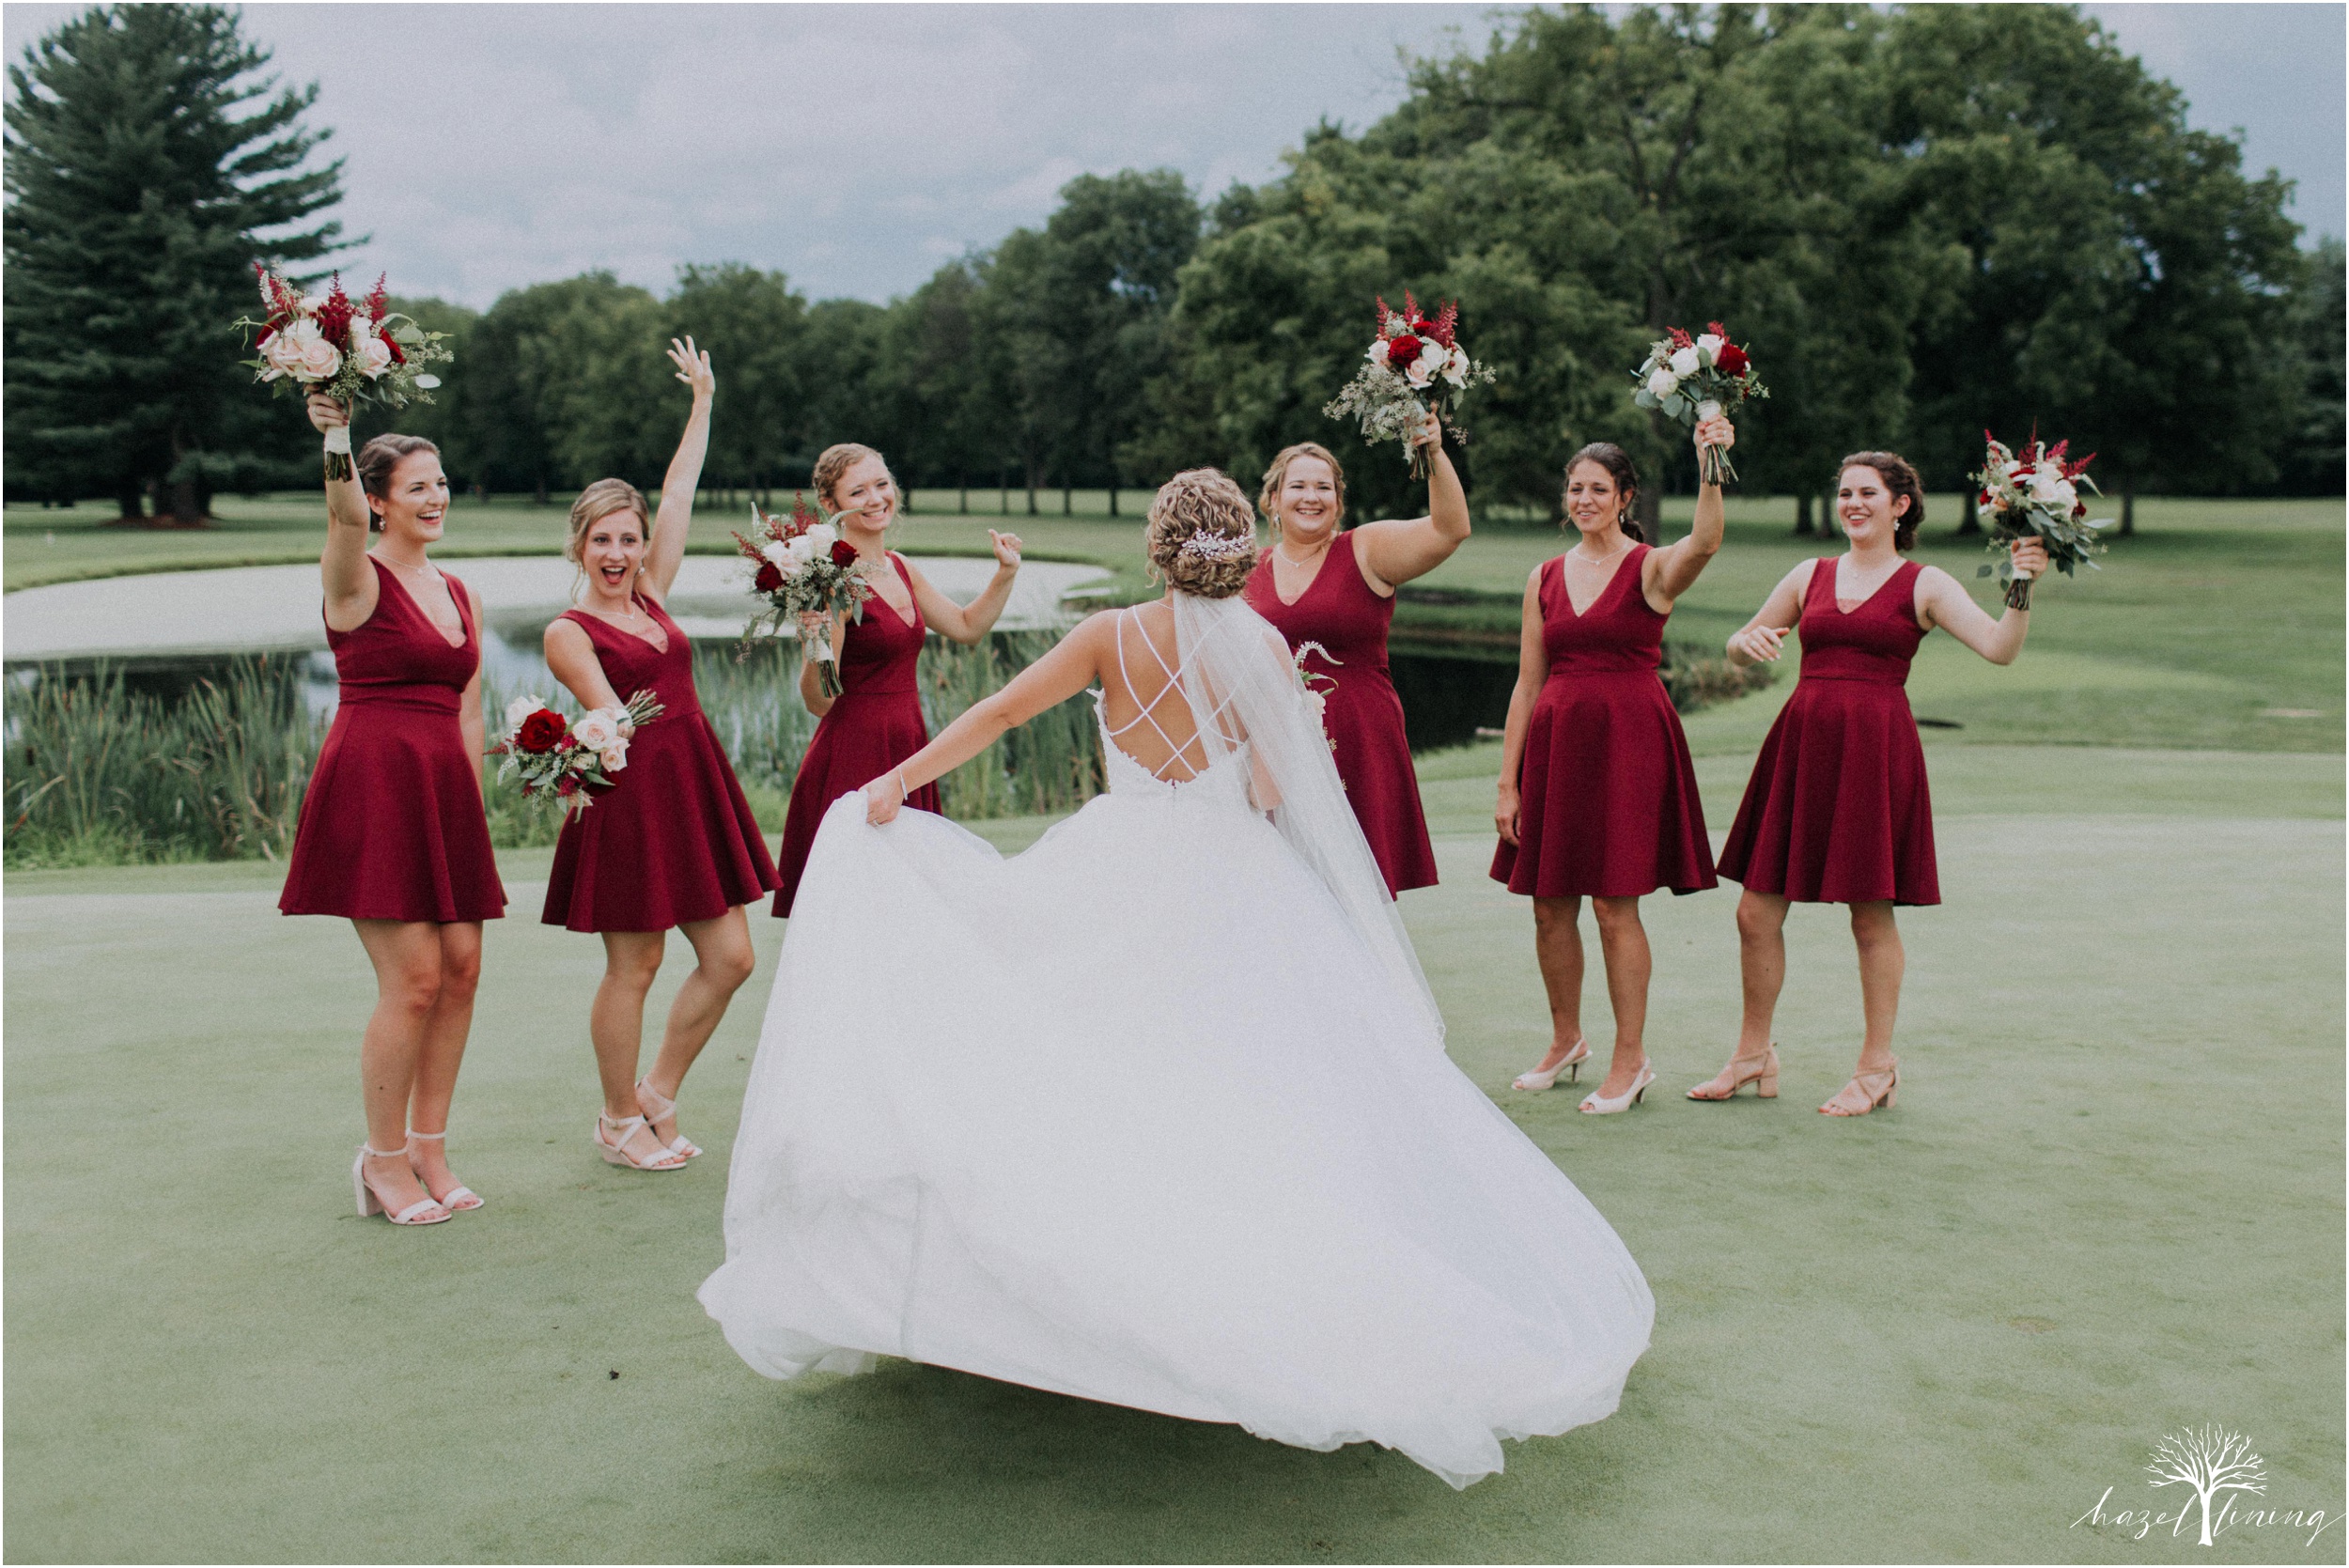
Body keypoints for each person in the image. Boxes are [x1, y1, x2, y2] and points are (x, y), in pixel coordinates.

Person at [701, 470, 1653, 1490]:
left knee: (1089, 1069)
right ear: (1238, 549)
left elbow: (996, 717)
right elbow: (1273, 787)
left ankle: (1088, 1302)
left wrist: (890, 781)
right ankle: (1224, 1296)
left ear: (1159, 548)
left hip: (1116, 858)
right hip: (1233, 873)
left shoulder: (1109, 636)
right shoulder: (1260, 646)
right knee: (1240, 1087)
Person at [1693, 452, 2049, 1114]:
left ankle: (1877, 1066)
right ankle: (1752, 1054)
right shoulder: (1810, 572)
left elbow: (2000, 648)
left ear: (1900, 505)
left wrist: (2022, 585)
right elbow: (1740, 642)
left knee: (1868, 916)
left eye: (1867, 493)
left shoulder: (1926, 583)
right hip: (1801, 746)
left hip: (1875, 754)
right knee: (1754, 911)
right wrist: (1751, 644)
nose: (1853, 503)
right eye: (1845, 493)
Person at [541, 339, 779, 1170]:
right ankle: (615, 1122)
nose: (618, 553)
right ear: (580, 547)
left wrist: (703, 400)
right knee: (636, 963)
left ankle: (657, 1094)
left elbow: (679, 489)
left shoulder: (653, 594)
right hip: (632, 797)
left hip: (693, 783)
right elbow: (613, 717)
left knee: (732, 956)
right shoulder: (569, 633)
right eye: (603, 540)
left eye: (629, 539)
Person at [280, 396, 505, 1226]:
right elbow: (338, 514)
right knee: (411, 981)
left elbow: (472, 709)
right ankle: (380, 1162)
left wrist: (471, 810)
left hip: (445, 792)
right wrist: (335, 434)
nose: (436, 497)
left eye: (441, 482)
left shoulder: (461, 591)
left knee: (462, 970)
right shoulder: (355, 573)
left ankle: (430, 1148)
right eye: (418, 486)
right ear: (378, 499)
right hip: (374, 784)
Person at [1491, 421, 1734, 1112]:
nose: (1585, 498)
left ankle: (1631, 1059)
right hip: (1557, 744)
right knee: (1548, 902)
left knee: (1612, 902)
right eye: (1575, 488)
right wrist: (1508, 779)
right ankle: (1567, 1039)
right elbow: (1526, 683)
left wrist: (1709, 462)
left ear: (1625, 496)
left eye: (1599, 488)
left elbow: (1708, 540)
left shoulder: (1651, 568)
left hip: (1629, 742)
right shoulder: (1542, 576)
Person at [770, 444, 1022, 916]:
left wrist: (1005, 574)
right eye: (858, 491)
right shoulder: (833, 584)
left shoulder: (901, 566)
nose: (876, 498)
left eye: (882, 484)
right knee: (862, 911)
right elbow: (820, 702)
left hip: (908, 746)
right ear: (830, 505)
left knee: (915, 910)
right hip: (855, 752)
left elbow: (967, 626)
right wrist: (818, 644)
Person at [1242, 411, 1468, 894]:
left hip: (1360, 741)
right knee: (1282, 892)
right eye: (1298, 486)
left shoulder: (1365, 549)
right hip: (1277, 748)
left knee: (1357, 896)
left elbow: (1450, 530)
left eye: (1324, 487)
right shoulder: (1248, 569)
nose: (1311, 497)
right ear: (1273, 500)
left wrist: (1434, 452)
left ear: (1338, 501)